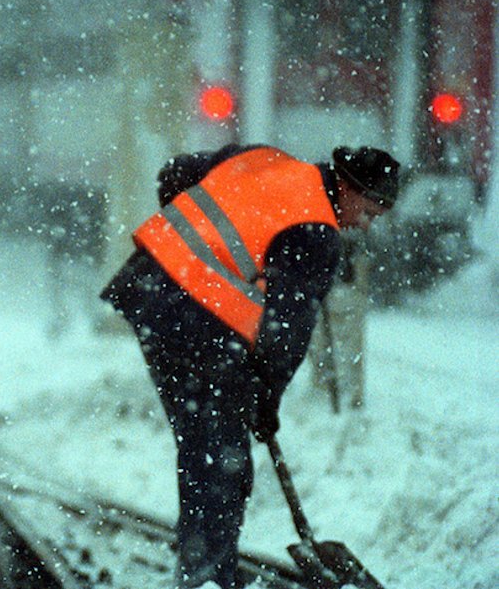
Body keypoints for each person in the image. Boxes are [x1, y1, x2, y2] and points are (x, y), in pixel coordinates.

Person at [100, 145, 399, 588]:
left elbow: (174, 173)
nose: (367, 223)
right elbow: (286, 333)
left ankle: (202, 565)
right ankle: (205, 576)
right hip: (193, 324)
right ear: (349, 188)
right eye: (370, 210)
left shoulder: (267, 160)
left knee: (205, 449)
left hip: (148, 292)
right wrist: (266, 399)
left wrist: (189, 254)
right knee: (223, 461)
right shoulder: (316, 231)